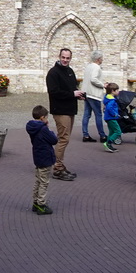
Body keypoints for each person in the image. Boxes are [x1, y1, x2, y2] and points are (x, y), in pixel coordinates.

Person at [45, 47, 84, 180]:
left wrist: (78, 95)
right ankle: (57, 168)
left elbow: (72, 88)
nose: (65, 60)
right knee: (63, 139)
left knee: (64, 138)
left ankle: (59, 165)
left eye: (68, 58)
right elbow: (54, 92)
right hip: (60, 110)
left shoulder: (70, 71)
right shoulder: (53, 73)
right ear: (59, 56)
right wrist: (72, 94)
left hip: (70, 109)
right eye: (63, 57)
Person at [27, 105, 58, 215]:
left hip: (38, 156)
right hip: (45, 157)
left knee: (38, 180)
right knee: (44, 182)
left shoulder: (32, 128)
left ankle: (35, 201)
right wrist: (50, 130)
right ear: (42, 117)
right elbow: (54, 140)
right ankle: (41, 204)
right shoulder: (43, 129)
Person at [80, 50, 107, 142]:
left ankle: (85, 134)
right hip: (94, 94)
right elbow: (93, 79)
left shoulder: (88, 66)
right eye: (101, 58)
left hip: (87, 93)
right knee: (98, 115)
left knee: (86, 114)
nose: (102, 60)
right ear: (99, 59)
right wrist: (103, 85)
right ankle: (102, 135)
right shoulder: (97, 67)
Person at [101, 83, 122, 152]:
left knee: (112, 131)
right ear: (113, 91)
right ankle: (108, 143)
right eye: (117, 90)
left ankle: (108, 145)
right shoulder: (112, 100)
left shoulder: (107, 97)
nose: (118, 92)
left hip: (108, 117)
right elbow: (109, 108)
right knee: (118, 131)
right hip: (111, 118)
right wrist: (115, 114)